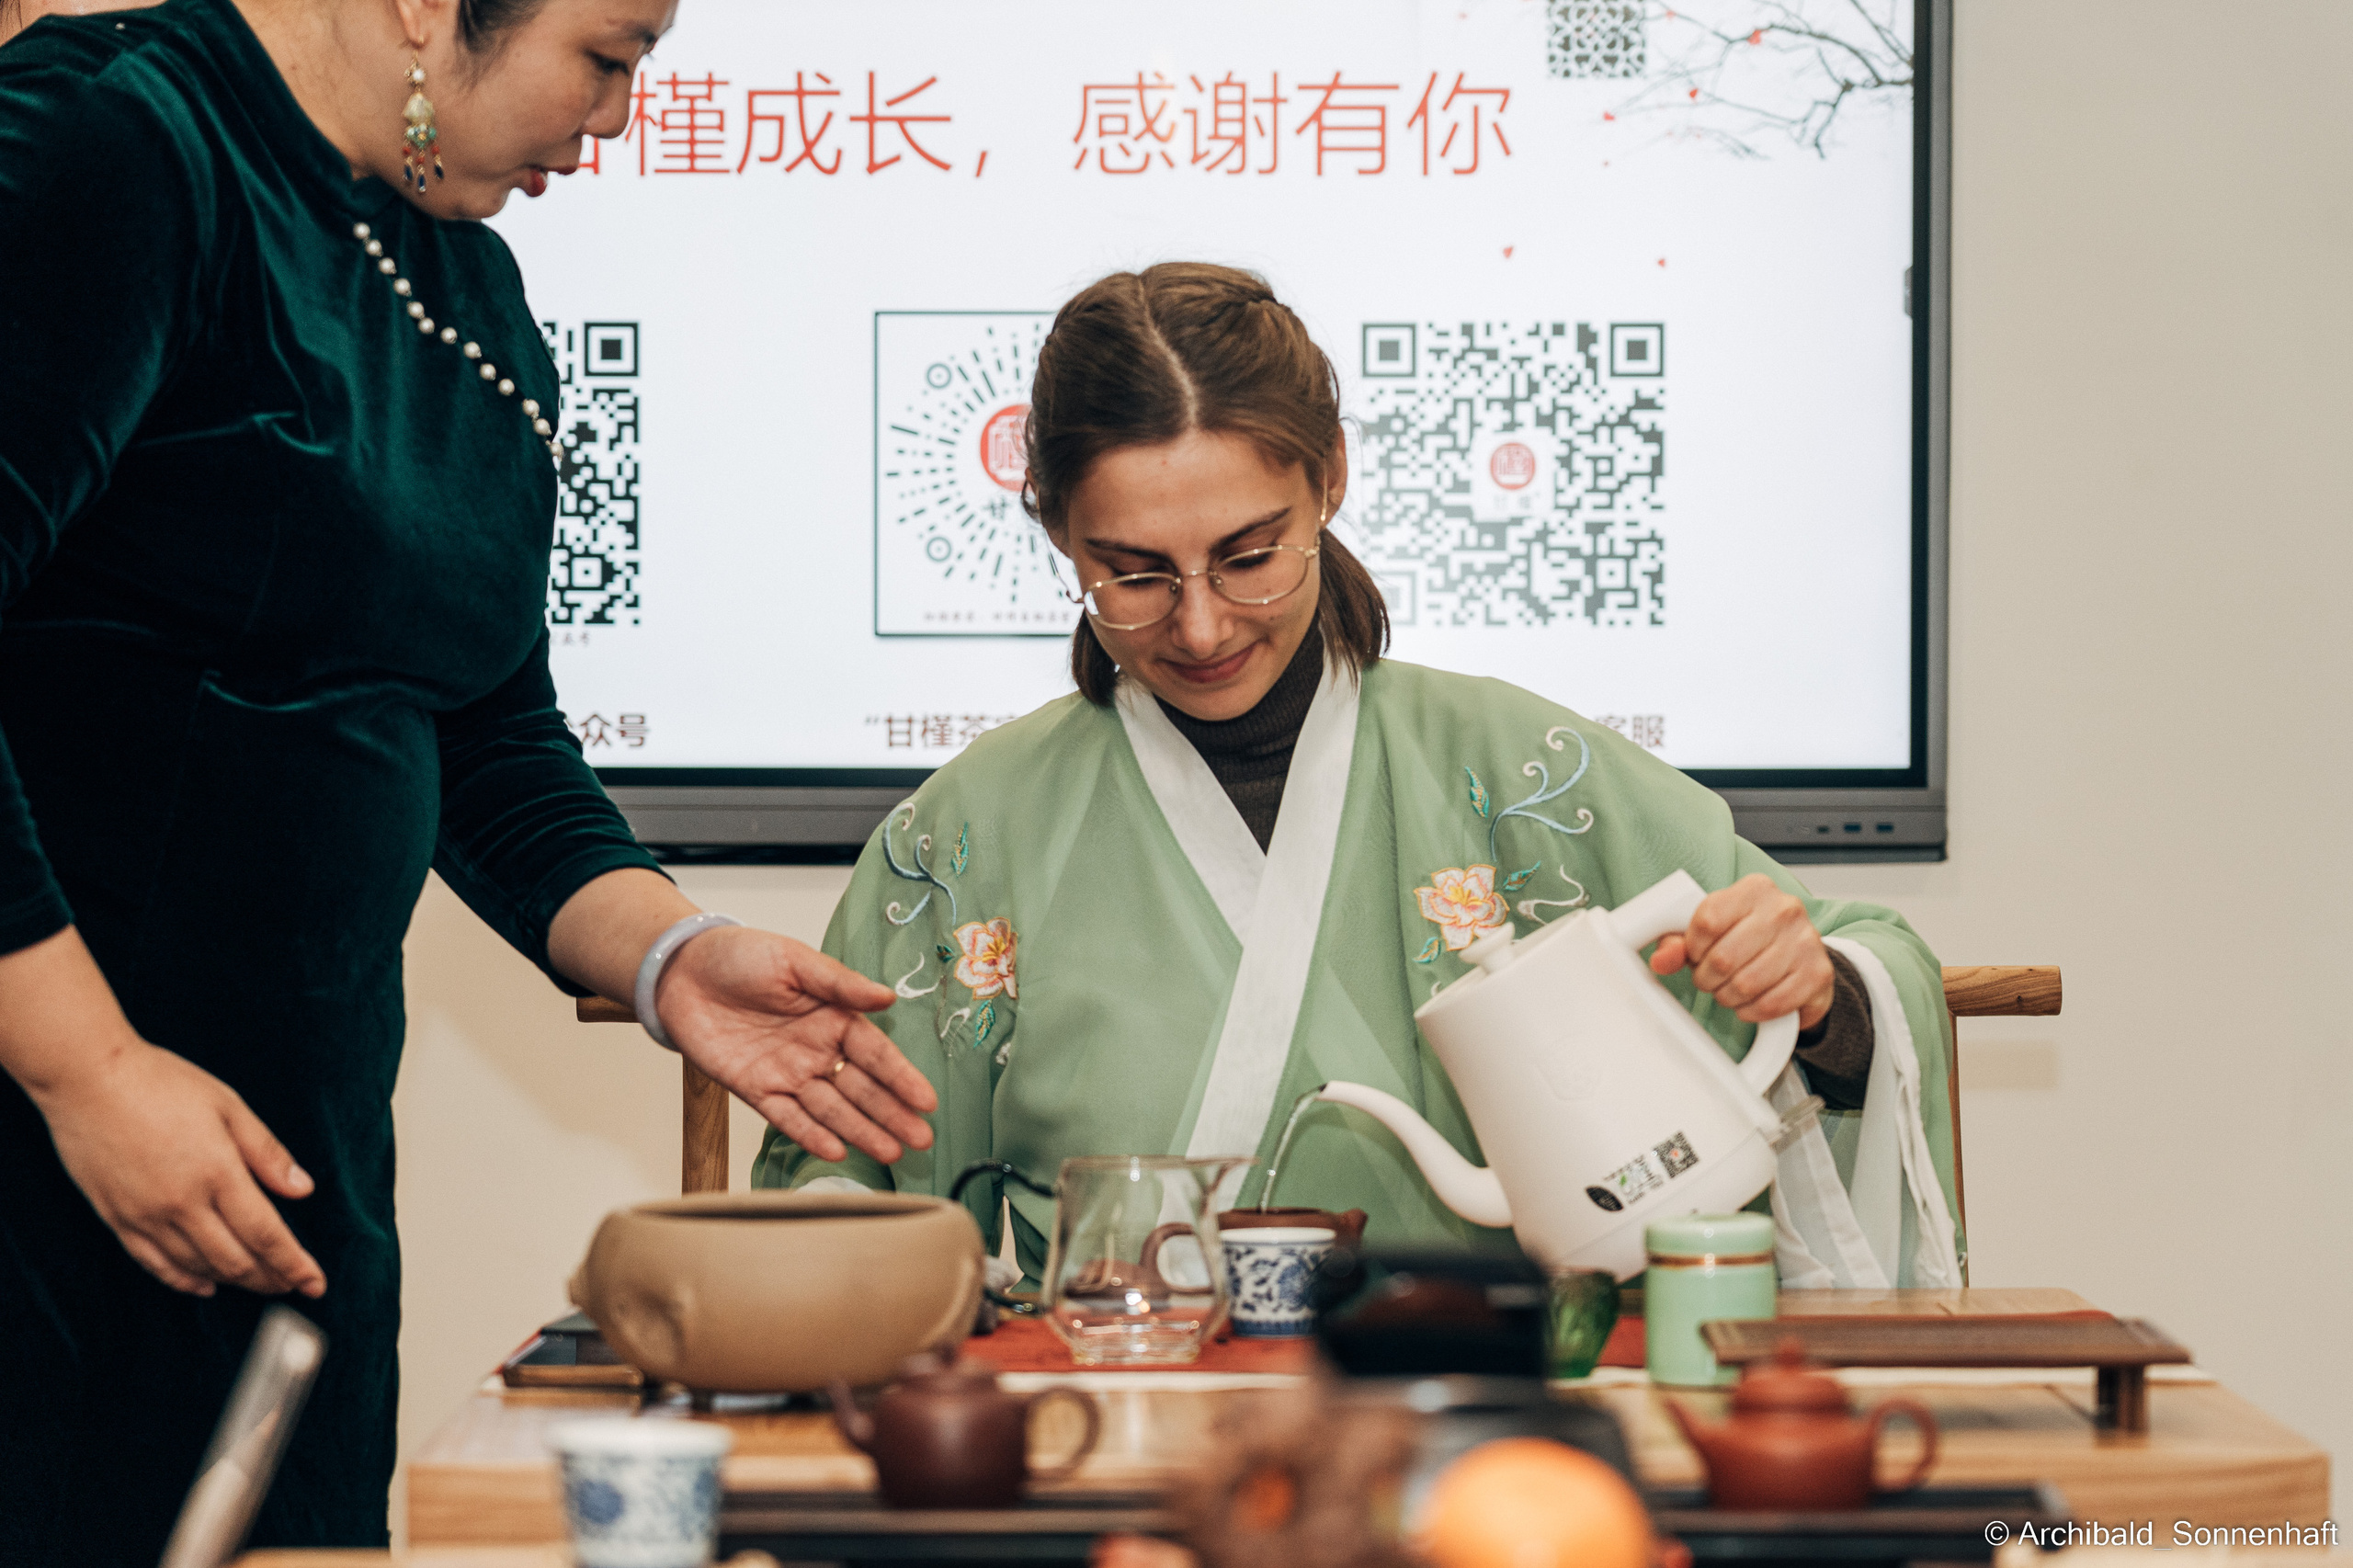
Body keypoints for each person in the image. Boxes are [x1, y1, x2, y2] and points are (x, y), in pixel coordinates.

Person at [0, 0, 938, 1560]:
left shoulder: (469, 283)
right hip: (60, 1138)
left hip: (280, 1162)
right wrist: (89, 1071)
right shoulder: (123, 138)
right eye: (610, 54)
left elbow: (488, 733)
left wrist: (670, 956)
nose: (622, 119)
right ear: (426, 6)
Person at [755, 263, 1961, 1293]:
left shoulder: (1518, 773)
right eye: (1133, 572)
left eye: (1249, 556)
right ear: (1060, 531)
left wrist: (1818, 987)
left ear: (1329, 478)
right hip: (1100, 1438)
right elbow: (842, 1188)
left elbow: (1866, 960)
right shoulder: (967, 837)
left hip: (1482, 1435)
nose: (1203, 623)